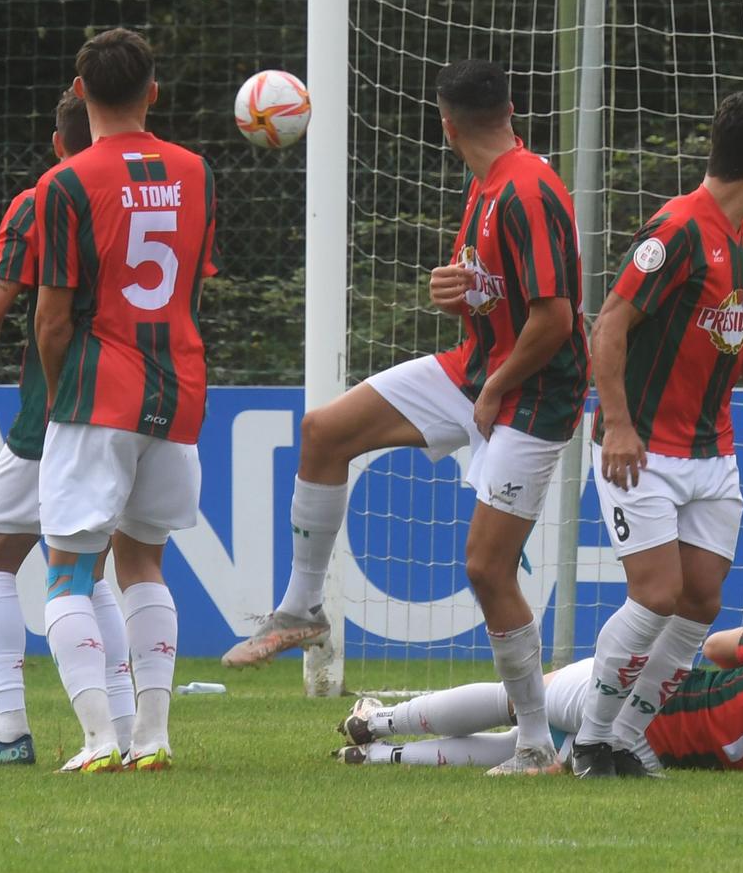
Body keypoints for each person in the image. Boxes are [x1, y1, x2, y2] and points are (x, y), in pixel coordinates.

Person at [222, 62, 586, 775]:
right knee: (326, 431)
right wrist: (459, 294)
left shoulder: (526, 189)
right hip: (477, 367)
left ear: (445, 124)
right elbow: (498, 296)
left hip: (534, 391)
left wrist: (496, 386)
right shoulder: (486, 187)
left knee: (486, 567)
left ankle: (538, 745)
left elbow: (556, 319)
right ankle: (301, 610)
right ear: (509, 109)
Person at [569, 89, 743, 778]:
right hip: (643, 450)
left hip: (713, 454)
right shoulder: (677, 230)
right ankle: (591, 741)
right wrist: (618, 424)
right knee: (656, 594)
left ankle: (626, 736)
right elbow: (610, 324)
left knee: (699, 601)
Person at [33, 28, 216, 773]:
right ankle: (155, 738)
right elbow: (194, 283)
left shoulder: (66, 182)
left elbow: (52, 315)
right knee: (146, 562)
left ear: (80, 92)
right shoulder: (197, 172)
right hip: (177, 388)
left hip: (98, 390)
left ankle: (99, 738)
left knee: (69, 571)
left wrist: (58, 392)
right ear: (154, 93)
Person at [0, 89, 136, 767]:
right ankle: (130, 728)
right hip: (135, 403)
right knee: (91, 568)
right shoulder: (150, 195)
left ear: (58, 145)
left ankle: (7, 732)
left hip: (55, 412)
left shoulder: (43, 199)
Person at [333, 585, 743, 773]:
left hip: (646, 704)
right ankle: (382, 760)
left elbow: (719, 648)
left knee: (521, 703)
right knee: (521, 745)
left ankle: (378, 721)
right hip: (654, 755)